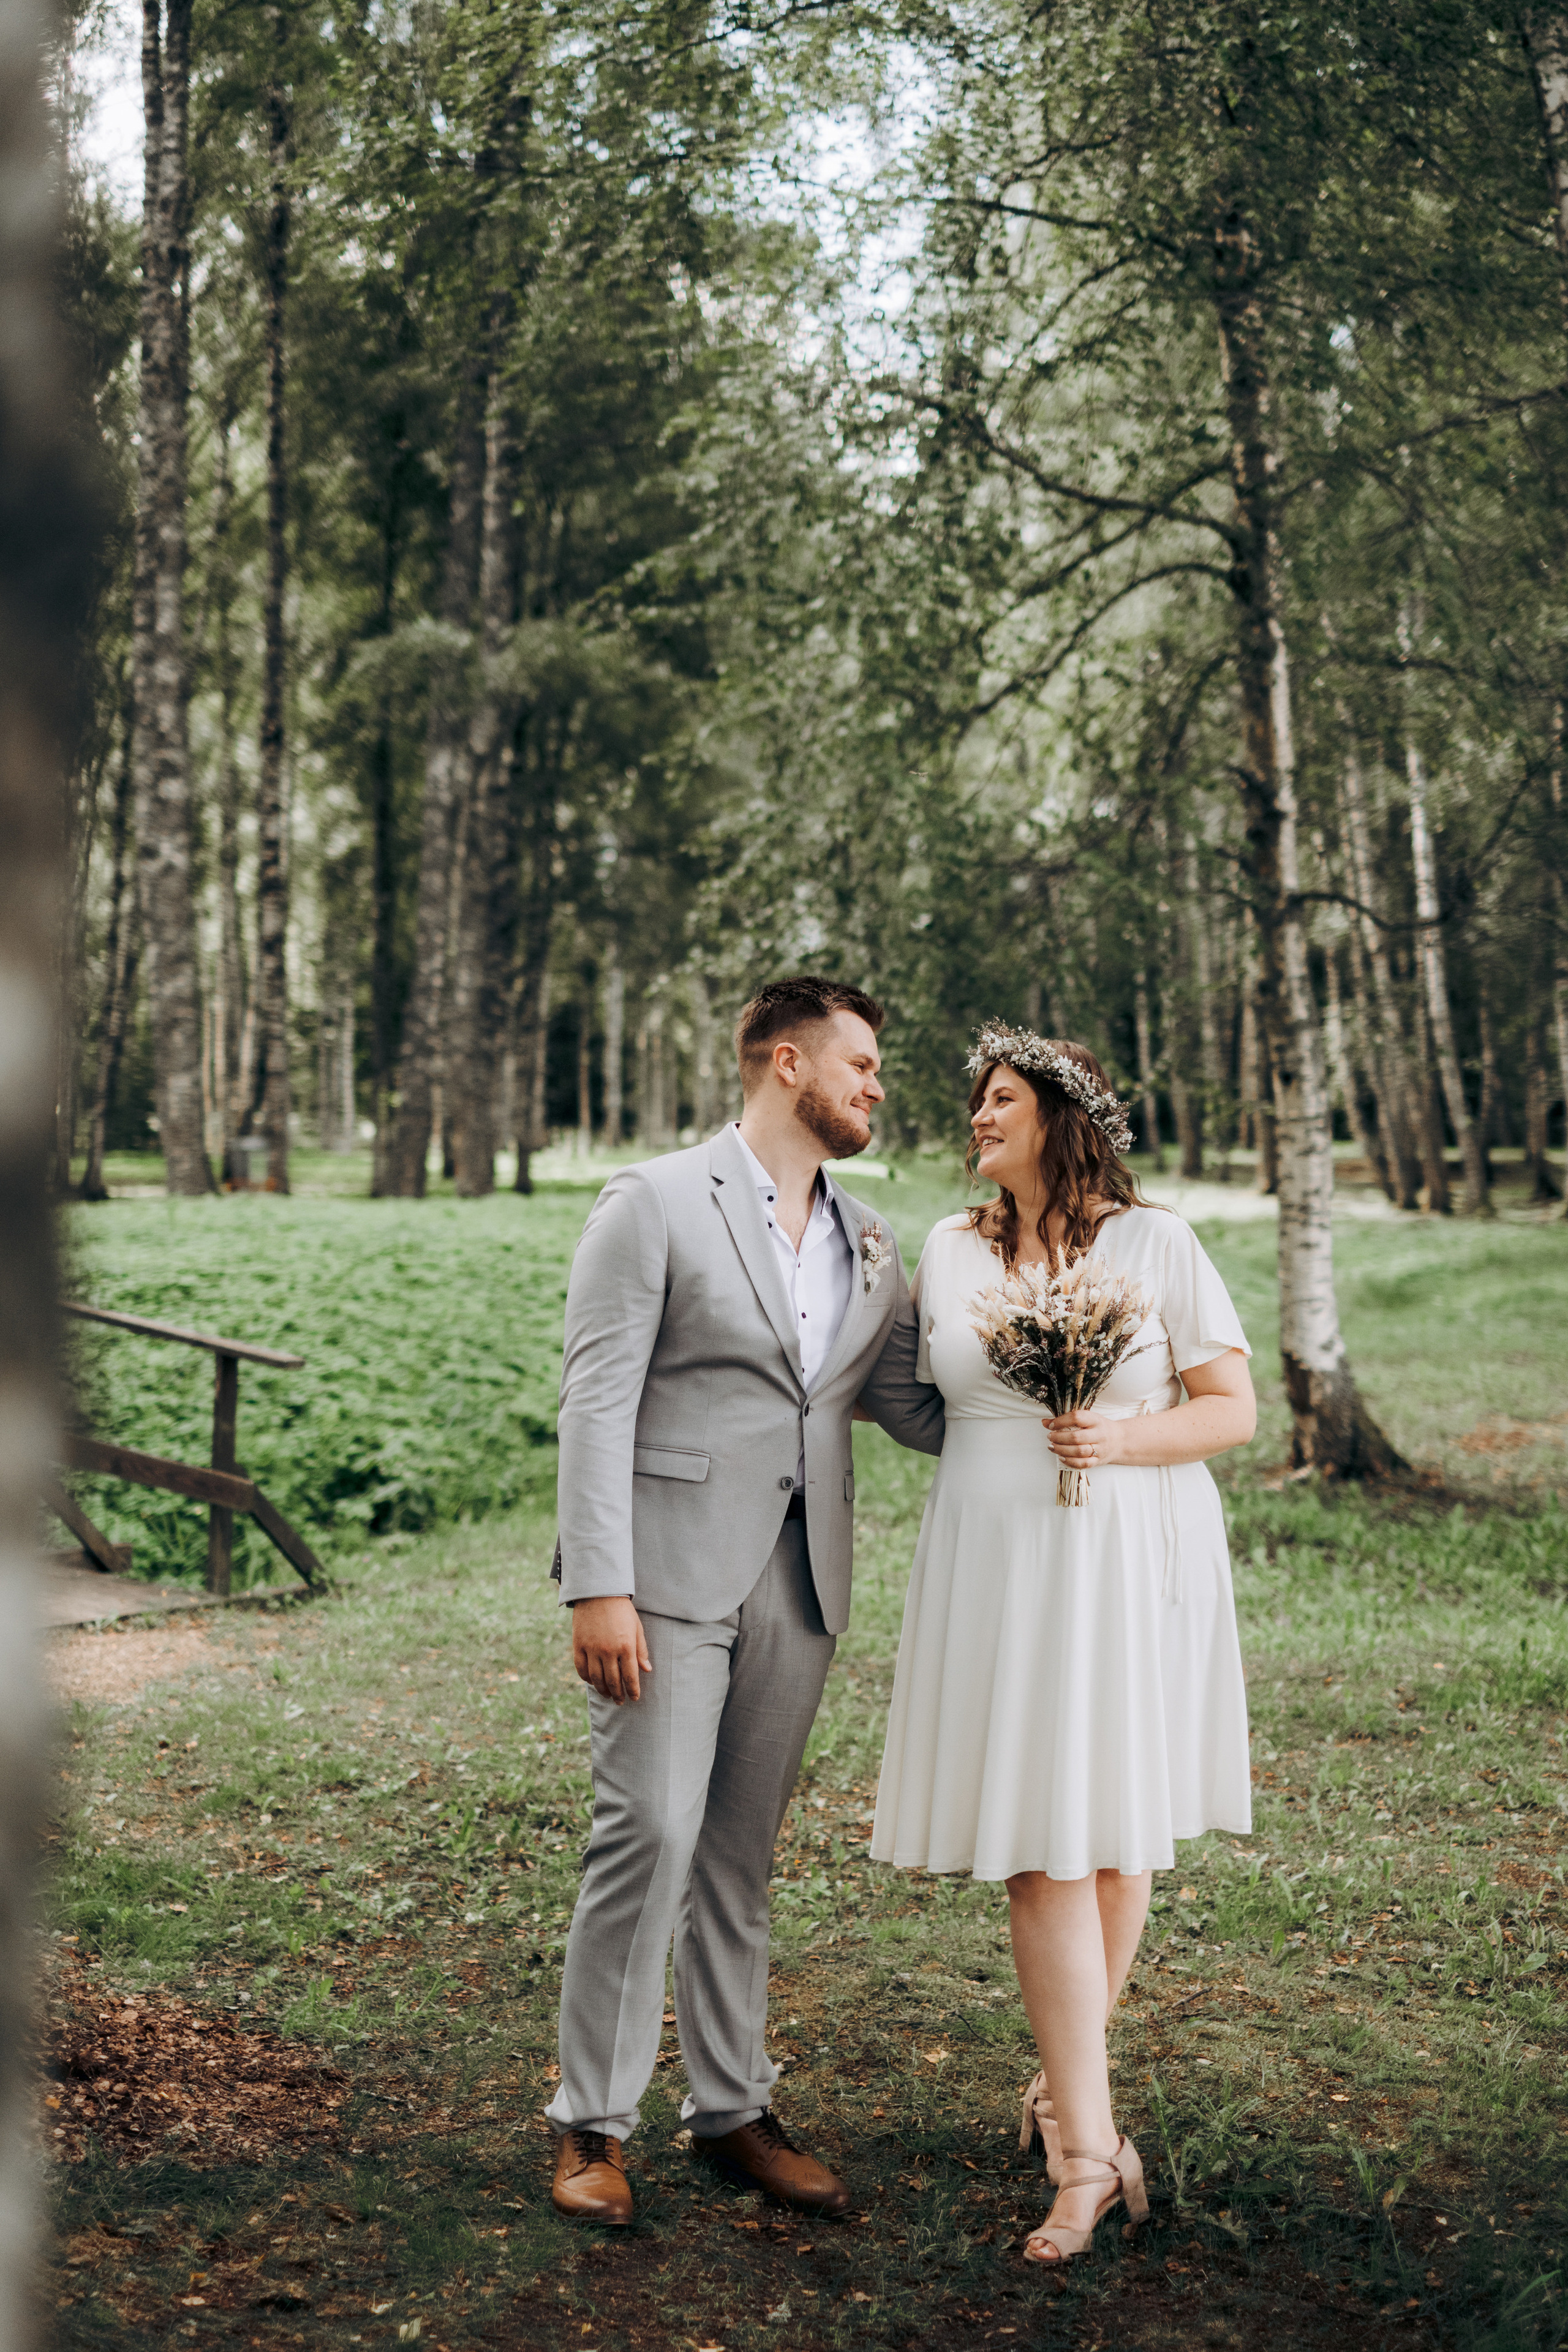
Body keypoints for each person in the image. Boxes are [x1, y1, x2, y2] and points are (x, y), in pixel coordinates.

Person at [546, 976, 945, 2225]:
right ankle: (591, 2126)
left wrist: (1060, 1379)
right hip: (662, 1575)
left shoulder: (871, 1238)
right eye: (861, 1065)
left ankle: (730, 2109)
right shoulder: (654, 1201)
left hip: (801, 1576)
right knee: (650, 1833)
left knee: (737, 1851)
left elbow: (909, 1406)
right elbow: (596, 1400)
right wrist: (597, 1583)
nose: (876, 1087)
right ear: (787, 1062)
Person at [871, 1024, 1256, 2266]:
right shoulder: (945, 1247)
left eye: (998, 1099)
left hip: (1128, 1551)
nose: (976, 1118)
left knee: (1112, 1835)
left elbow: (1231, 1409)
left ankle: (1074, 2128)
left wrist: (1118, 1441)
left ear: (1059, 1114)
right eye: (975, 1102)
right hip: (993, 1560)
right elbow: (906, 1394)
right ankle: (1085, 2131)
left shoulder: (1158, 1244)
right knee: (1045, 1851)